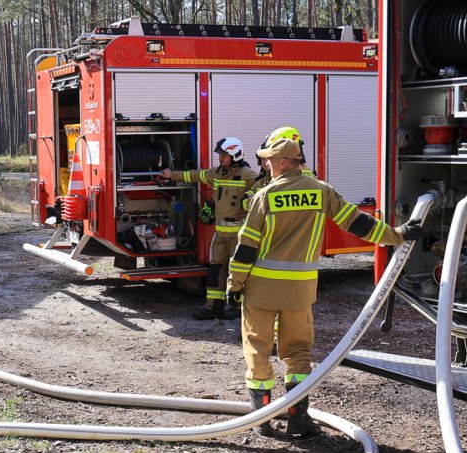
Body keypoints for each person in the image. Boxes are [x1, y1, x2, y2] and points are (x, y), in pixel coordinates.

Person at [229, 135, 422, 437]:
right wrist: (397, 234)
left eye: (269, 159)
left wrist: (234, 284)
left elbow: (246, 247)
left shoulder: (264, 196)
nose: (265, 164)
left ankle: (261, 420)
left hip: (261, 290)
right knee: (298, 353)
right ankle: (298, 418)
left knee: (258, 350)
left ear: (283, 163)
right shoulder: (322, 192)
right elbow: (359, 224)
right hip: (299, 291)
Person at [160, 137, 258, 320]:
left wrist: (249, 199)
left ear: (235, 155)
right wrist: (171, 174)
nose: (220, 158)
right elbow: (195, 175)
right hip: (220, 234)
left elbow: (262, 191)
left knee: (238, 273)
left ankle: (237, 308)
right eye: (220, 155)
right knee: (215, 272)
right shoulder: (217, 173)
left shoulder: (248, 175)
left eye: (223, 155)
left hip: (239, 236)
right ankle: (214, 307)